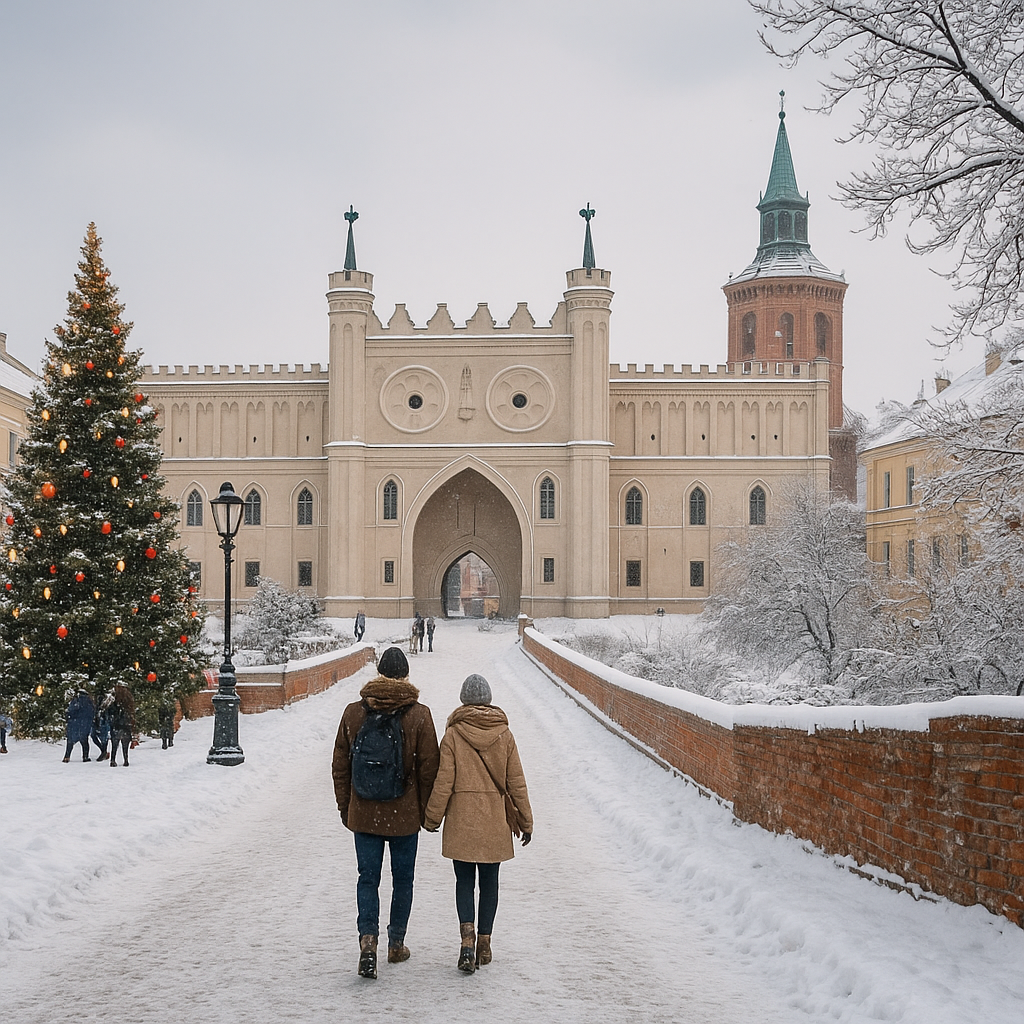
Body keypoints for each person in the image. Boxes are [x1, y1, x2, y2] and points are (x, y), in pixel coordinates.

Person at [332, 646, 440, 979]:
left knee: (368, 879)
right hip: (404, 815)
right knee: (402, 880)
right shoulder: (419, 715)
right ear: (406, 675)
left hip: (364, 812)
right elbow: (429, 769)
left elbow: (339, 766)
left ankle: (368, 941)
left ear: (379, 673)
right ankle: (396, 944)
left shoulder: (353, 713)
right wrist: (425, 812)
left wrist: (346, 807)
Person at [424, 673, 533, 973]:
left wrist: (432, 817)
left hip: (462, 820)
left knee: (463, 882)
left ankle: (467, 942)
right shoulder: (505, 735)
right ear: (489, 700)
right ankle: (485, 943)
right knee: (489, 883)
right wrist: (526, 820)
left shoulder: (453, 735)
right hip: (494, 821)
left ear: (463, 700)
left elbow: (444, 782)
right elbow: (516, 783)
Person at [103, 684, 135, 767]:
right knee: (125, 745)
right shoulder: (128, 702)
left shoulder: (115, 702)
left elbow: (109, 712)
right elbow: (132, 714)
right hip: (126, 725)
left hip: (116, 725)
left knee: (114, 744)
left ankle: (113, 760)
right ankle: (126, 759)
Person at [62, 688, 95, 763]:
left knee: (70, 742)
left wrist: (69, 718)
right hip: (84, 725)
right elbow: (91, 714)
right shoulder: (89, 703)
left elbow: (70, 711)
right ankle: (85, 757)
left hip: (74, 724)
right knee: (84, 742)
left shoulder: (75, 701)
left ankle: (67, 757)